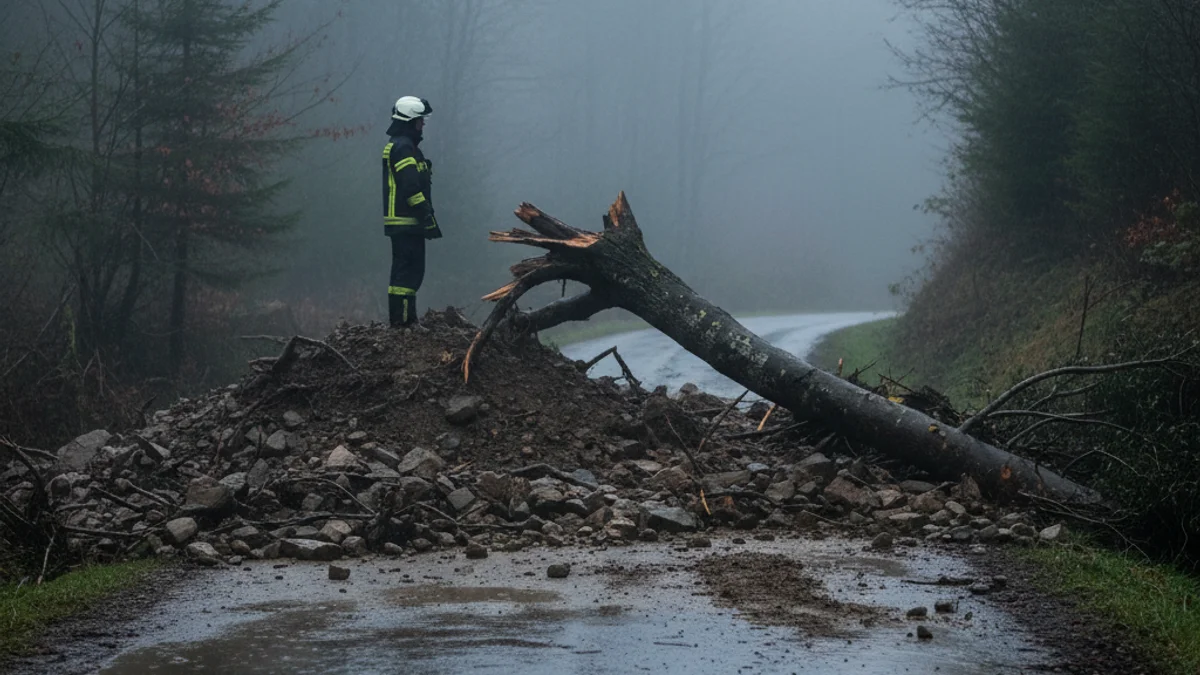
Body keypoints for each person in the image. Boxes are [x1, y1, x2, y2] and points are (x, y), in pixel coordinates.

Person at [382, 95, 441, 327]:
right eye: (420, 120)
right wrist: (425, 214)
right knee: (409, 274)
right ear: (410, 121)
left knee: (405, 274)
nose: (423, 125)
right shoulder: (403, 148)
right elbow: (410, 186)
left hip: (403, 222)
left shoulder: (402, 145)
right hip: (407, 221)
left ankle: (405, 321)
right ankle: (404, 324)